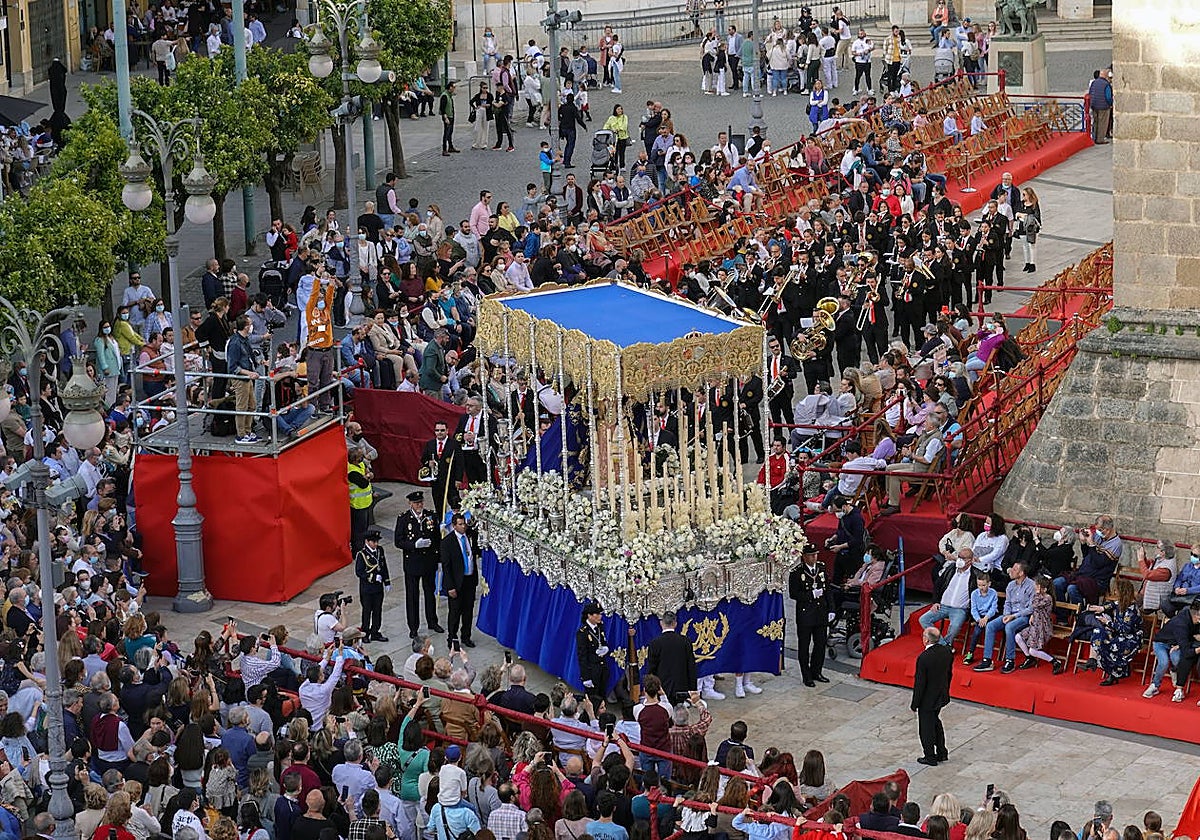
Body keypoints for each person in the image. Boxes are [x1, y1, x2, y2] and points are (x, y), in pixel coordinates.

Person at [394, 491, 444, 639]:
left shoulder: (431, 516)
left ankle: (432, 621)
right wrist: (414, 545)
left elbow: (437, 539)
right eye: (416, 503)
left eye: (421, 502)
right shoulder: (404, 519)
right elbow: (398, 541)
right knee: (412, 596)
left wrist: (439, 559)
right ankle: (413, 627)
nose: (419, 505)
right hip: (412, 563)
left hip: (429, 561)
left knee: (430, 593)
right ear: (410, 504)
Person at [975, 561, 1035, 674]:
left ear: (1021, 573)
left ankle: (1010, 660)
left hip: (1023, 616)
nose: (1011, 571)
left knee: (1009, 627)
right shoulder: (1011, 585)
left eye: (1014, 569)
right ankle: (987, 659)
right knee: (991, 625)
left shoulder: (1031, 585)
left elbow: (1031, 608)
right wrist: (1007, 614)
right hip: (1009, 614)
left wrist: (1013, 616)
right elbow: (1007, 603)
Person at [789, 543, 834, 688]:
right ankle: (806, 676)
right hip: (806, 614)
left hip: (820, 612)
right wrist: (810, 595)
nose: (814, 557)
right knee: (804, 646)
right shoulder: (797, 572)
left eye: (816, 554)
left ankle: (817, 672)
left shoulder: (821, 568)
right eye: (811, 555)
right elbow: (793, 594)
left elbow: (828, 590)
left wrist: (831, 609)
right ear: (804, 557)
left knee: (820, 644)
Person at [1144, 597, 1200, 701]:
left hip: (1176, 643)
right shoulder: (1181, 624)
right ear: (1197, 616)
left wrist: (1181, 644)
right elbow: (1187, 651)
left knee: (1178, 660)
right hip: (1161, 643)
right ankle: (1155, 685)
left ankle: (1174, 670)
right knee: (1164, 662)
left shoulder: (1191, 616)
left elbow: (1188, 637)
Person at [911, 626, 952, 766]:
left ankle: (930, 756)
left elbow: (920, 683)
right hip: (941, 695)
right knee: (936, 722)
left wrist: (915, 703)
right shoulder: (946, 651)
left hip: (927, 699)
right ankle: (942, 752)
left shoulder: (924, 658)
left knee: (926, 728)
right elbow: (949, 674)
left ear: (926, 639)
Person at [920, 548, 974, 646]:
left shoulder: (975, 574)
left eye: (963, 558)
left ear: (970, 561)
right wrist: (935, 601)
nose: (959, 560)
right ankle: (944, 645)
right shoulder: (951, 568)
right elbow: (938, 584)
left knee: (955, 626)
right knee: (924, 619)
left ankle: (944, 644)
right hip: (943, 606)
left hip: (960, 609)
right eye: (959, 557)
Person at [441, 513, 480, 647]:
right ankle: (452, 637)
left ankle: (466, 636)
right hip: (457, 582)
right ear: (454, 525)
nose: (463, 527)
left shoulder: (470, 536)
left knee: (468, 610)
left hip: (469, 579)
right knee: (455, 612)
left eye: (464, 524)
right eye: (460, 524)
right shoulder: (447, 542)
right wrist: (450, 586)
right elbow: (446, 567)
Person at [645, 610, 698, 702]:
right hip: (681, 688)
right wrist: (693, 689)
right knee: (680, 713)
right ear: (675, 624)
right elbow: (691, 666)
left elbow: (652, 668)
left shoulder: (655, 643)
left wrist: (649, 688)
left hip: (661, 688)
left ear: (661, 623)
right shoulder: (685, 641)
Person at [1014, 575, 1063, 673]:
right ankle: (1029, 658)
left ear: (1043, 588)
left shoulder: (1048, 598)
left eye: (1037, 585)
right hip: (1034, 625)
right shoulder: (1038, 595)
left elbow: (1035, 604)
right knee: (1018, 637)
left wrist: (1036, 594)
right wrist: (1032, 615)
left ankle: (1055, 661)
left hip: (1042, 627)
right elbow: (1034, 608)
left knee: (1033, 650)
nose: (1035, 587)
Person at [355, 530, 391, 643]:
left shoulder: (380, 550)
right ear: (367, 541)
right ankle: (365, 632)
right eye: (373, 542)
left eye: (377, 542)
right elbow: (359, 572)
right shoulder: (362, 554)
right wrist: (373, 577)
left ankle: (375, 631)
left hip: (378, 588)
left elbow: (383, 566)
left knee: (377, 610)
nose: (376, 544)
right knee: (367, 611)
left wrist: (387, 581)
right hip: (367, 589)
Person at [575, 603, 609, 708]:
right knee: (593, 700)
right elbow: (582, 656)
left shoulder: (600, 627)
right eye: (597, 614)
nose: (600, 616)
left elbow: (603, 640)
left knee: (602, 695)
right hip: (592, 670)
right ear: (589, 616)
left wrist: (605, 648)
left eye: (600, 614)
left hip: (602, 668)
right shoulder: (582, 633)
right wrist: (586, 677)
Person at [1087, 68, 1112, 145]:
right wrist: (1110, 104)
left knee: (1096, 122)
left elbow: (1090, 92)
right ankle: (1100, 139)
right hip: (1103, 106)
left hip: (1094, 104)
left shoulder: (1094, 82)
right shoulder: (1106, 84)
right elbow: (1108, 96)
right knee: (1102, 123)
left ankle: (1094, 137)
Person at [440, 81, 460, 155]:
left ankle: (450, 146)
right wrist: (445, 118)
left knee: (450, 132)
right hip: (447, 116)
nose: (454, 89)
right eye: (454, 87)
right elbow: (442, 108)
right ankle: (444, 149)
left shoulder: (449, 95)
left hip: (451, 115)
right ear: (450, 87)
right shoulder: (445, 95)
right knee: (446, 133)